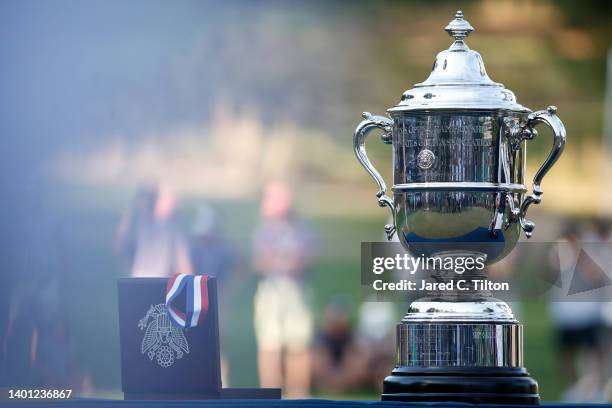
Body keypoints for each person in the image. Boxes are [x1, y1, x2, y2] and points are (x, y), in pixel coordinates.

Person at [252, 181, 314, 398]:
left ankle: (298, 396)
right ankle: (271, 396)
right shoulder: (264, 229)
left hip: (296, 291)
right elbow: (260, 261)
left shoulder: (301, 228)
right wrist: (285, 263)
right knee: (269, 346)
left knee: (298, 346)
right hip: (271, 291)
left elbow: (305, 259)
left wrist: (282, 263)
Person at [116, 183, 192, 277]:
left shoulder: (174, 227)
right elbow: (121, 243)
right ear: (159, 200)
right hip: (140, 276)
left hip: (158, 277)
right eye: (170, 200)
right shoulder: (141, 221)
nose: (174, 204)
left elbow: (182, 261)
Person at [311, 302, 369, 393]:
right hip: (329, 373)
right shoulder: (321, 338)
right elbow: (318, 365)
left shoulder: (351, 337)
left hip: (345, 374)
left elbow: (359, 364)